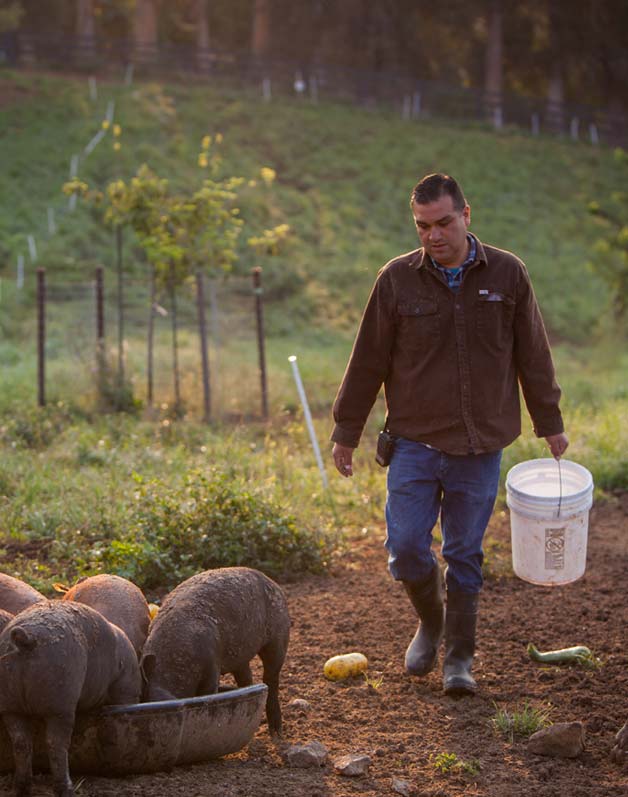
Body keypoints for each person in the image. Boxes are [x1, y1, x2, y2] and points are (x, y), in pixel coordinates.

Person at [330, 173, 568, 697]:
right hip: (414, 440)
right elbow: (367, 360)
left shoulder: (507, 274)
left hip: (480, 444)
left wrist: (548, 422)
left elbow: (533, 352)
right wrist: (346, 431)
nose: (433, 235)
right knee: (407, 547)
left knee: (464, 553)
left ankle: (459, 658)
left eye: (442, 223)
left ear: (466, 215)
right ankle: (432, 622)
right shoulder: (395, 280)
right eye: (422, 226)